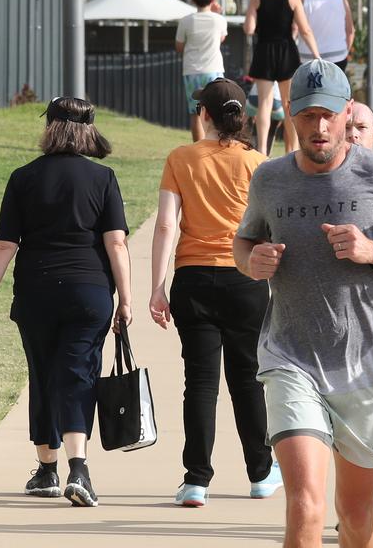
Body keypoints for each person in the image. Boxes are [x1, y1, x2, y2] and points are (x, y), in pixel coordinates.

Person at [232, 60, 373, 547]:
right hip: (291, 357)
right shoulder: (269, 179)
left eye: (329, 114)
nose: (320, 126)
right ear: (290, 114)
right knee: (305, 504)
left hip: (366, 368)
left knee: (354, 513)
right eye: (308, 116)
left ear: (348, 112)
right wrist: (252, 261)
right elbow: (243, 242)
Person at [0, 97, 132, 507]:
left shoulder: (23, 177)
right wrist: (126, 299)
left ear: (51, 128)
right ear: (88, 130)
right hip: (89, 291)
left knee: (44, 373)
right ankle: (78, 468)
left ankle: (47, 469)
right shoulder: (103, 178)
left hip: (37, 291)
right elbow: (115, 242)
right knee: (77, 373)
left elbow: (5, 243)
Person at [147, 78, 284, 508]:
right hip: (245, 279)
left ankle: (196, 480)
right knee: (247, 380)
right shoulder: (258, 162)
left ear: (202, 114)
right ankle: (260, 473)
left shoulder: (180, 158)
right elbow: (271, 227)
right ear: (241, 116)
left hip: (192, 279)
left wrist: (157, 285)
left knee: (200, 382)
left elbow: (168, 224)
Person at [245, 0, 321, 156]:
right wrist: (316, 55)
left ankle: (262, 151)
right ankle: (293, 150)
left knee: (264, 103)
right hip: (287, 51)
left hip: (264, 51)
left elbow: (249, 29)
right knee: (289, 103)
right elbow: (305, 30)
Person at [176, 0, 229, 142]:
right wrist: (217, 13)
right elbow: (221, 38)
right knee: (217, 110)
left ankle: (199, 147)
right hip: (214, 70)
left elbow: (179, 47)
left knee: (196, 111)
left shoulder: (185, 21)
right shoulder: (219, 20)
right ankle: (215, 143)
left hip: (192, 71)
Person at [299, 0, 355, 74]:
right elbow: (350, 30)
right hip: (337, 55)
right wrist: (345, 51)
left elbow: (296, 28)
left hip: (308, 57)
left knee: (311, 90)